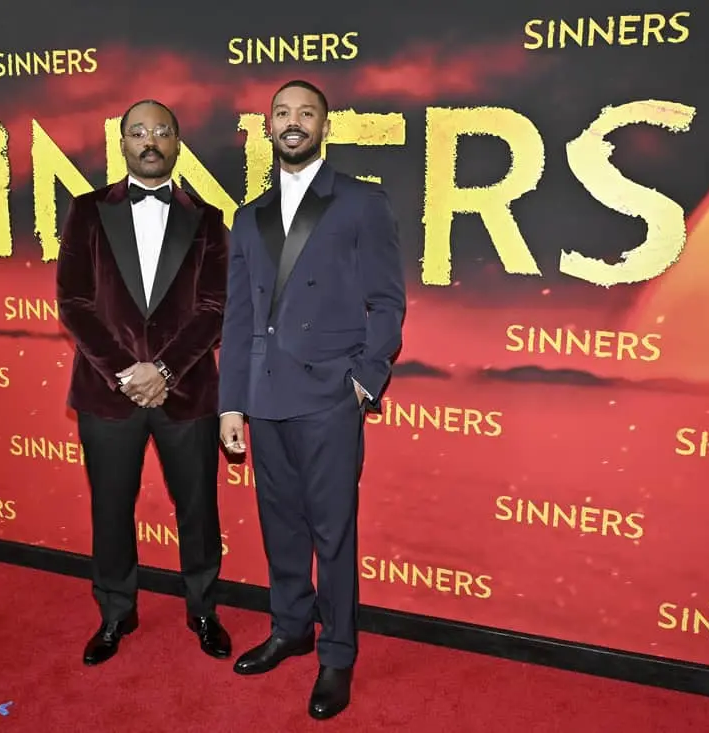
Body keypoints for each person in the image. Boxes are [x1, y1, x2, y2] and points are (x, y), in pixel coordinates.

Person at [218, 80, 405, 719]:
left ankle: (338, 654)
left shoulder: (360, 202)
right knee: (281, 526)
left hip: (328, 395)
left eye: (306, 113)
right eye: (282, 113)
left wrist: (364, 379)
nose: (293, 122)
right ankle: (291, 627)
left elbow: (387, 301)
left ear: (325, 126)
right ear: (267, 126)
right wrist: (230, 402)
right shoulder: (248, 215)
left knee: (333, 533)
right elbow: (239, 317)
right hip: (265, 396)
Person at [57, 100, 232, 666]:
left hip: (188, 394)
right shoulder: (87, 210)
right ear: (123, 142)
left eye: (161, 131)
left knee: (198, 510)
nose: (149, 141)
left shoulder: (208, 219)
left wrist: (165, 370)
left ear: (177, 142)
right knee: (110, 507)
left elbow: (214, 308)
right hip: (107, 393)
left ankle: (203, 609)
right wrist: (125, 371)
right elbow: (74, 302)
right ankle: (115, 612)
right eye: (138, 132)